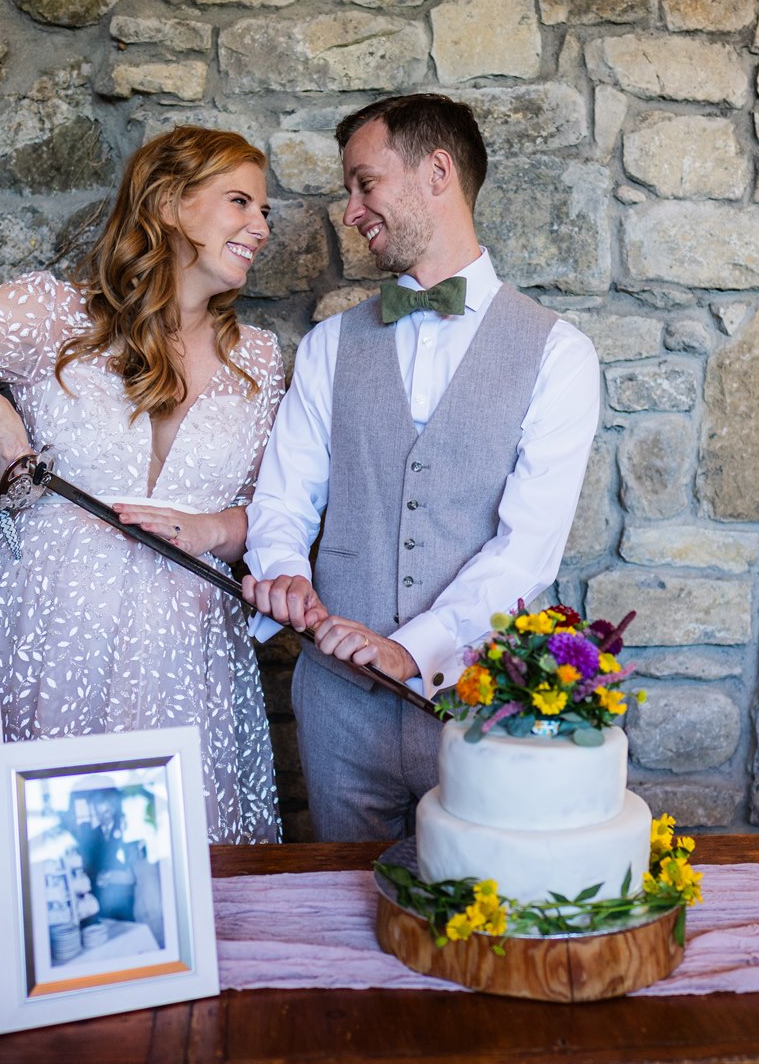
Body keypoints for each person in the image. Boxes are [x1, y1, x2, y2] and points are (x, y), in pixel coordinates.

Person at [0, 128, 285, 845]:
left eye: (265, 211)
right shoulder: (54, 315)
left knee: (175, 857)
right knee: (34, 850)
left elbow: (270, 515)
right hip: (49, 625)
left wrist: (213, 530)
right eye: (240, 202)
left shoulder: (259, 357)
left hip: (183, 646)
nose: (260, 226)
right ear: (169, 203)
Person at [239, 94, 601, 843]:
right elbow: (282, 501)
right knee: (343, 901)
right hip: (337, 707)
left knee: (476, 902)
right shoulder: (329, 346)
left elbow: (527, 548)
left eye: (365, 184)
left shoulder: (559, 354)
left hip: (480, 709)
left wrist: (412, 648)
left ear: (437, 172)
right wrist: (284, 571)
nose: (350, 211)